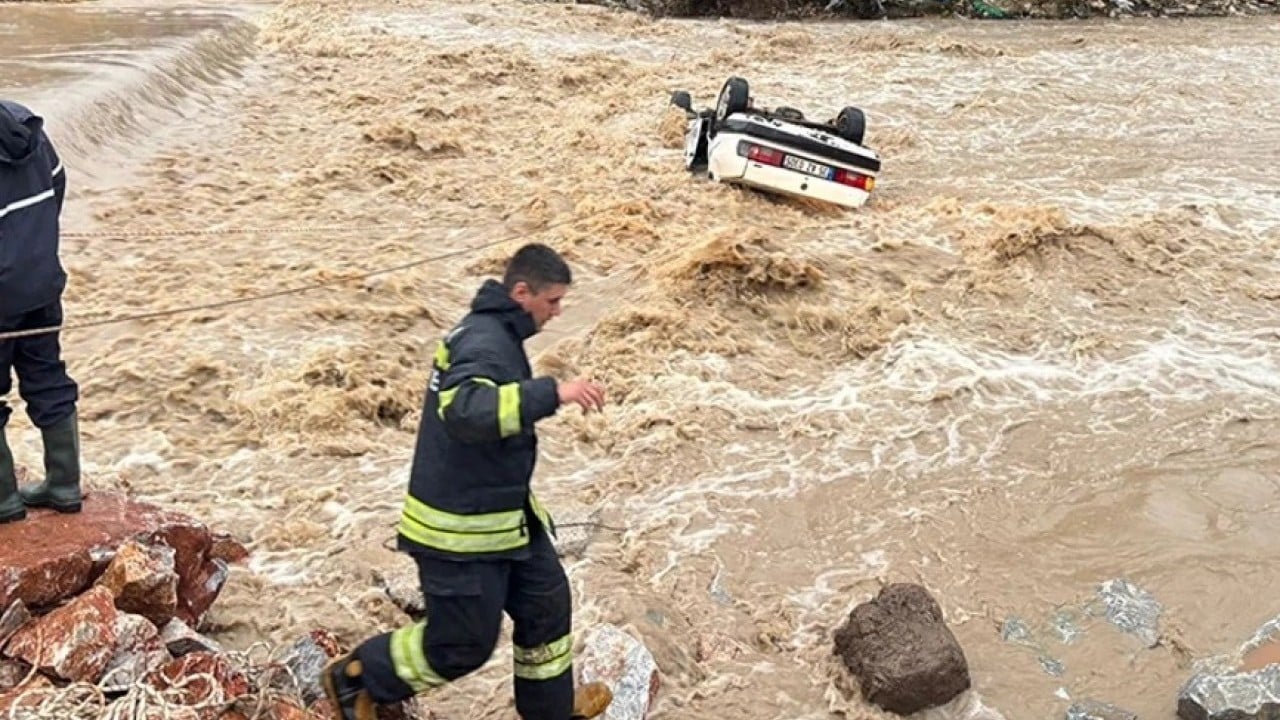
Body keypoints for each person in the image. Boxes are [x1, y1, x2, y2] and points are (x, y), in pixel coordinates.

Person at [322, 243, 613, 720]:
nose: (558, 313)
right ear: (522, 292)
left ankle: (550, 713)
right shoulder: (484, 342)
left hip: (505, 517)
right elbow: (466, 411)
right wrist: (553, 392)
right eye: (553, 301)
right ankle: (356, 678)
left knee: (547, 606)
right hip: (460, 532)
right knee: (463, 644)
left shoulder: (497, 332)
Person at [1, 99, 81, 525]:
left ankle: (3, 502)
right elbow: (58, 184)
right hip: (41, 280)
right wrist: (32, 246)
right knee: (48, 375)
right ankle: (64, 485)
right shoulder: (22, 121)